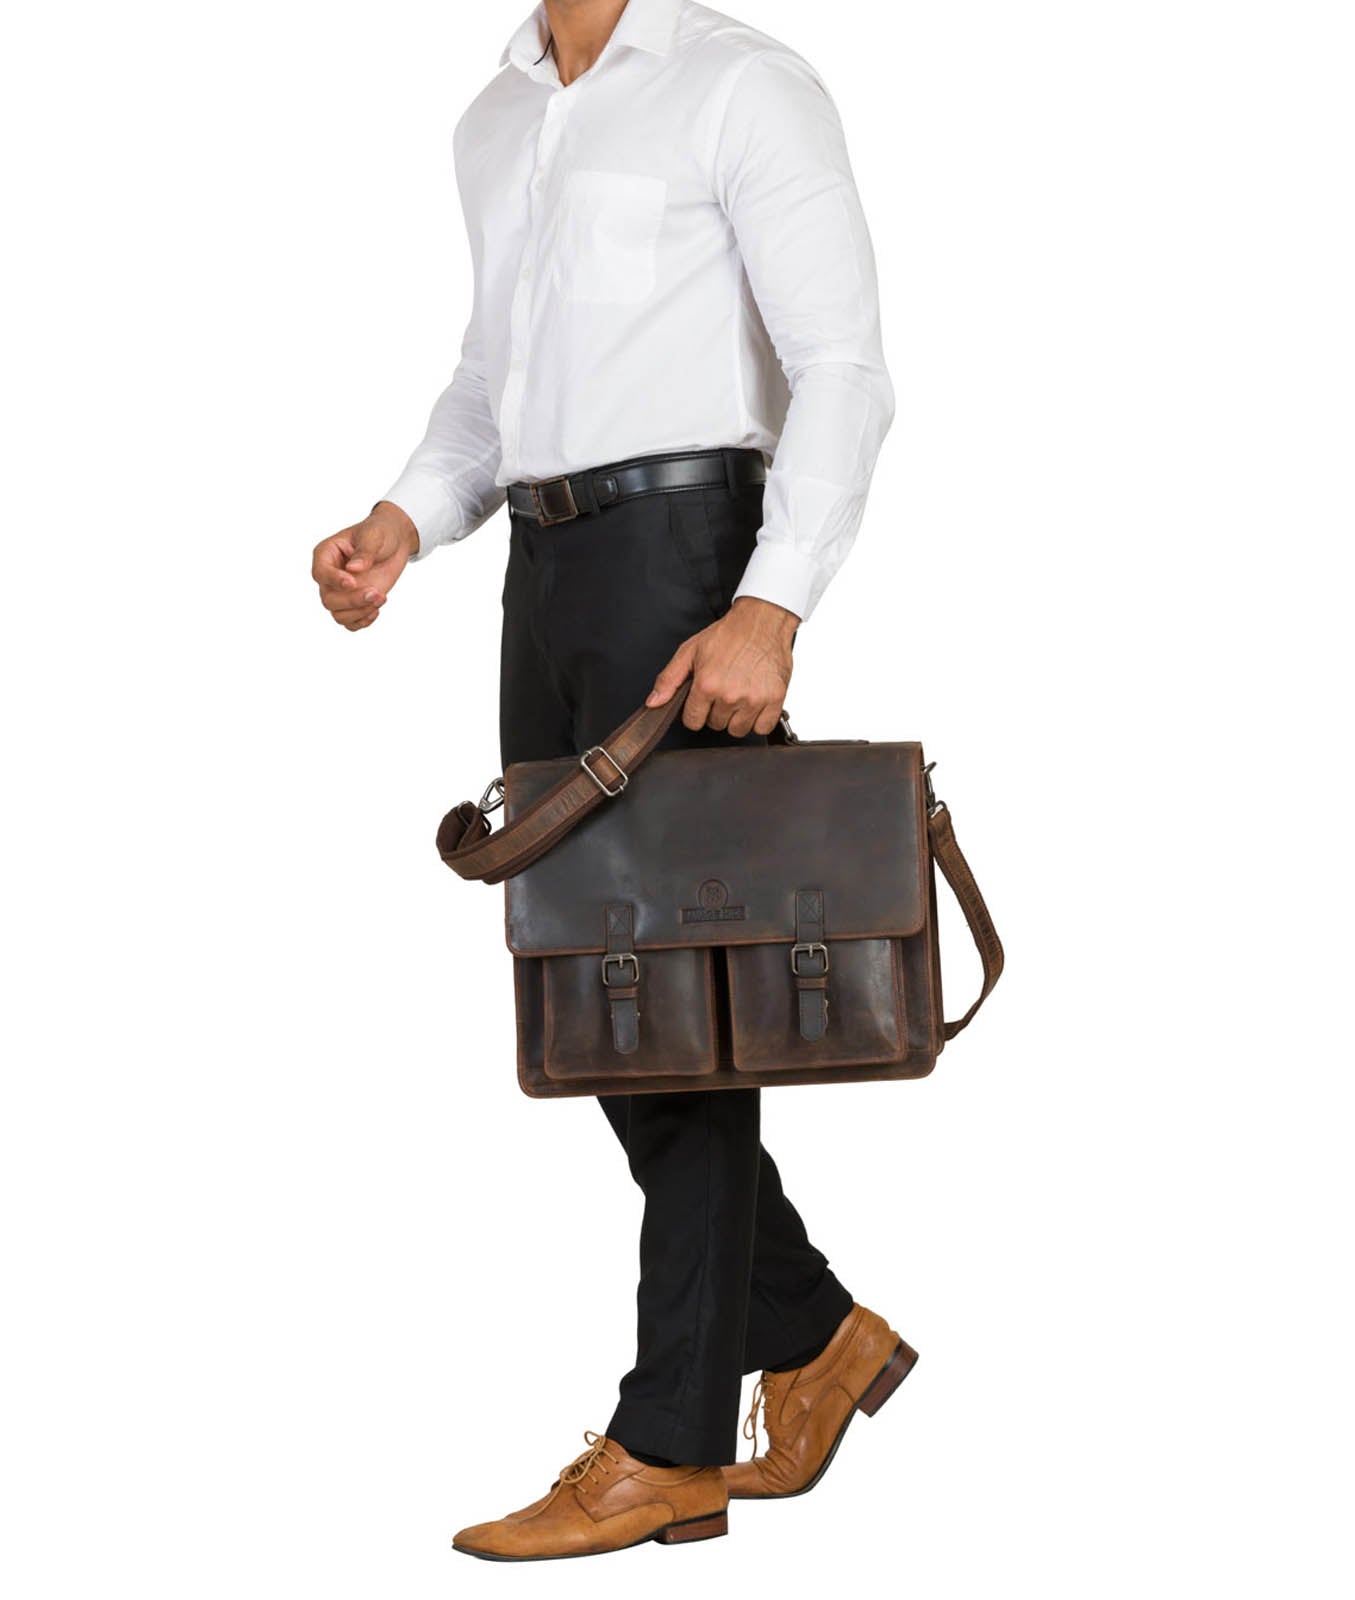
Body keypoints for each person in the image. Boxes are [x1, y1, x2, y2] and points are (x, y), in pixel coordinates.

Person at [311, 0, 912, 1561]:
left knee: (682, 1010)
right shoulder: (495, 118)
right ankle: (814, 1334)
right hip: (546, 570)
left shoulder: (742, 85)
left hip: (687, 564)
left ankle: (670, 1446)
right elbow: (491, 378)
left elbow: (844, 367)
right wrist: (405, 519)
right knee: (607, 1004)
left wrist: (771, 602)